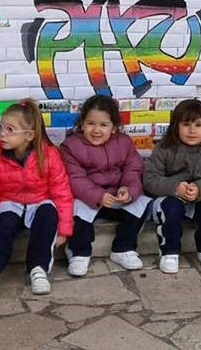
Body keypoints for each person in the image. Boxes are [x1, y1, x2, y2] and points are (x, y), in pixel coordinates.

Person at [0, 100, 74, 295]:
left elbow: (62, 193)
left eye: (10, 129)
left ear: (29, 135)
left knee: (48, 213)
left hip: (39, 203)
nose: (2, 134)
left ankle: (38, 270)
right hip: (11, 205)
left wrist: (63, 229)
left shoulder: (49, 156)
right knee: (5, 222)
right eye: (1, 127)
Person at [59, 95, 148, 276]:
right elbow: (75, 179)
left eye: (104, 125)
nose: (96, 130)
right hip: (90, 198)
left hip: (117, 197)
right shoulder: (71, 146)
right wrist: (98, 195)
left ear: (114, 127)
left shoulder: (124, 143)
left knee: (143, 203)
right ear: (82, 124)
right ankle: (78, 251)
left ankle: (123, 248)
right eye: (90, 123)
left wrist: (128, 190)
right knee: (76, 207)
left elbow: (133, 169)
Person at [143, 99, 201, 274]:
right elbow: (150, 179)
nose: (192, 130)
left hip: (199, 199)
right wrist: (175, 188)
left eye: (198, 125)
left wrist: (200, 189)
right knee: (171, 209)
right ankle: (170, 251)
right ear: (176, 126)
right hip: (170, 197)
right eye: (186, 124)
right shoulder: (164, 148)